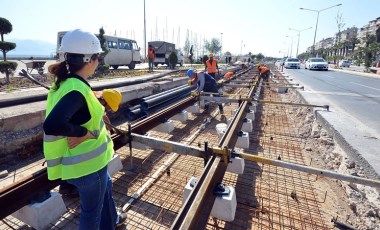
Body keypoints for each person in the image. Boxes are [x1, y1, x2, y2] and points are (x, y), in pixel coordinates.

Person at [43, 29, 126, 229]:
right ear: (89, 60)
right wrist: (84, 134)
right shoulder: (76, 90)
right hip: (88, 166)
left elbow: (78, 111)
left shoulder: (68, 83)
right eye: (98, 57)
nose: (99, 62)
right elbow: (53, 124)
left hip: (87, 164)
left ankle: (112, 222)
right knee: (91, 216)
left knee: (106, 189)